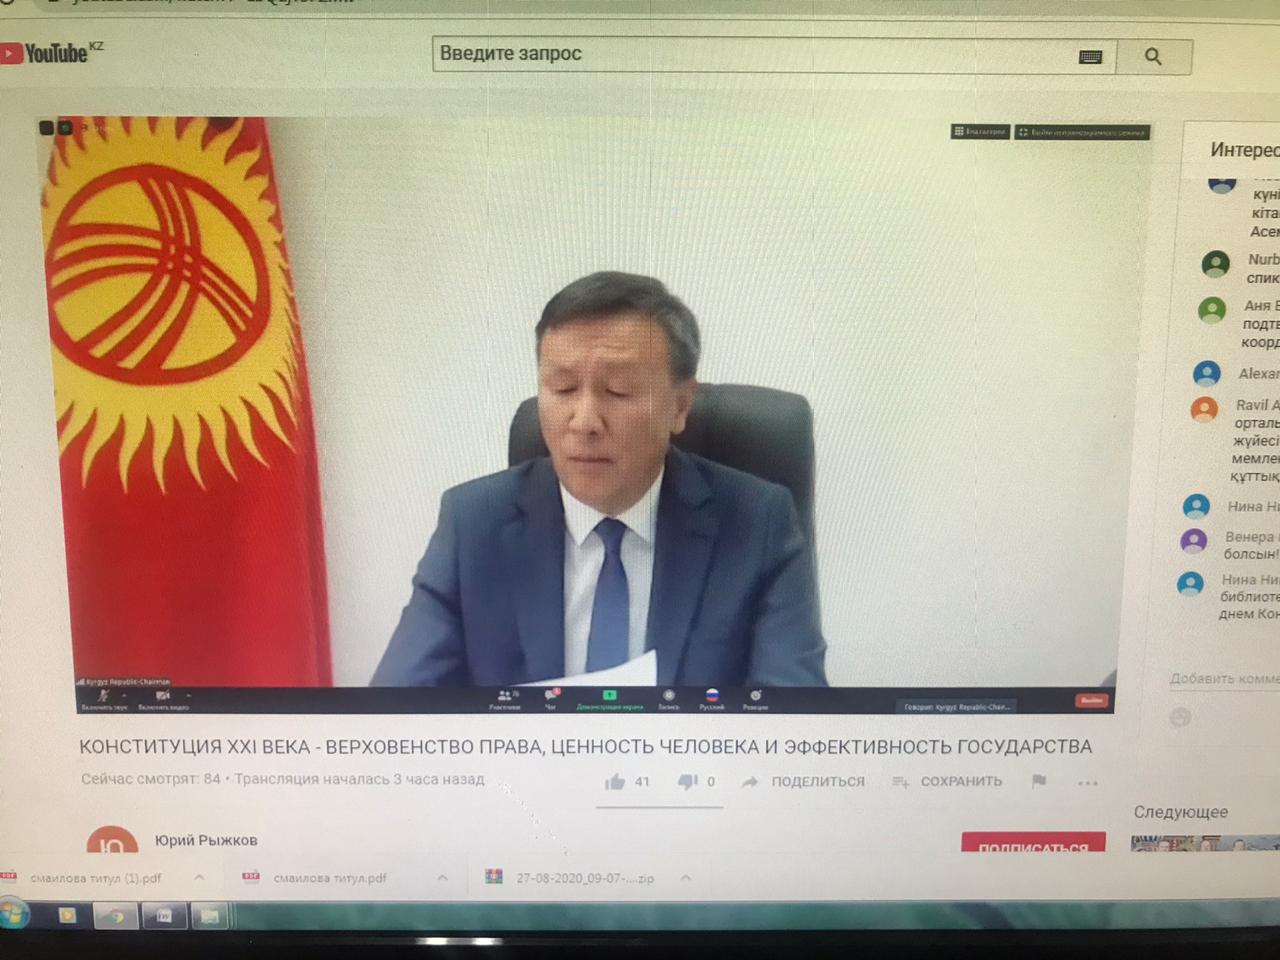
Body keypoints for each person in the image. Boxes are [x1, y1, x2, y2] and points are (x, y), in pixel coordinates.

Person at [372, 271, 827, 687]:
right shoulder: (472, 524)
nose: (584, 421)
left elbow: (792, 720)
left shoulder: (759, 525)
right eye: (563, 388)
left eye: (618, 391)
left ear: (680, 405)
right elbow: (395, 712)